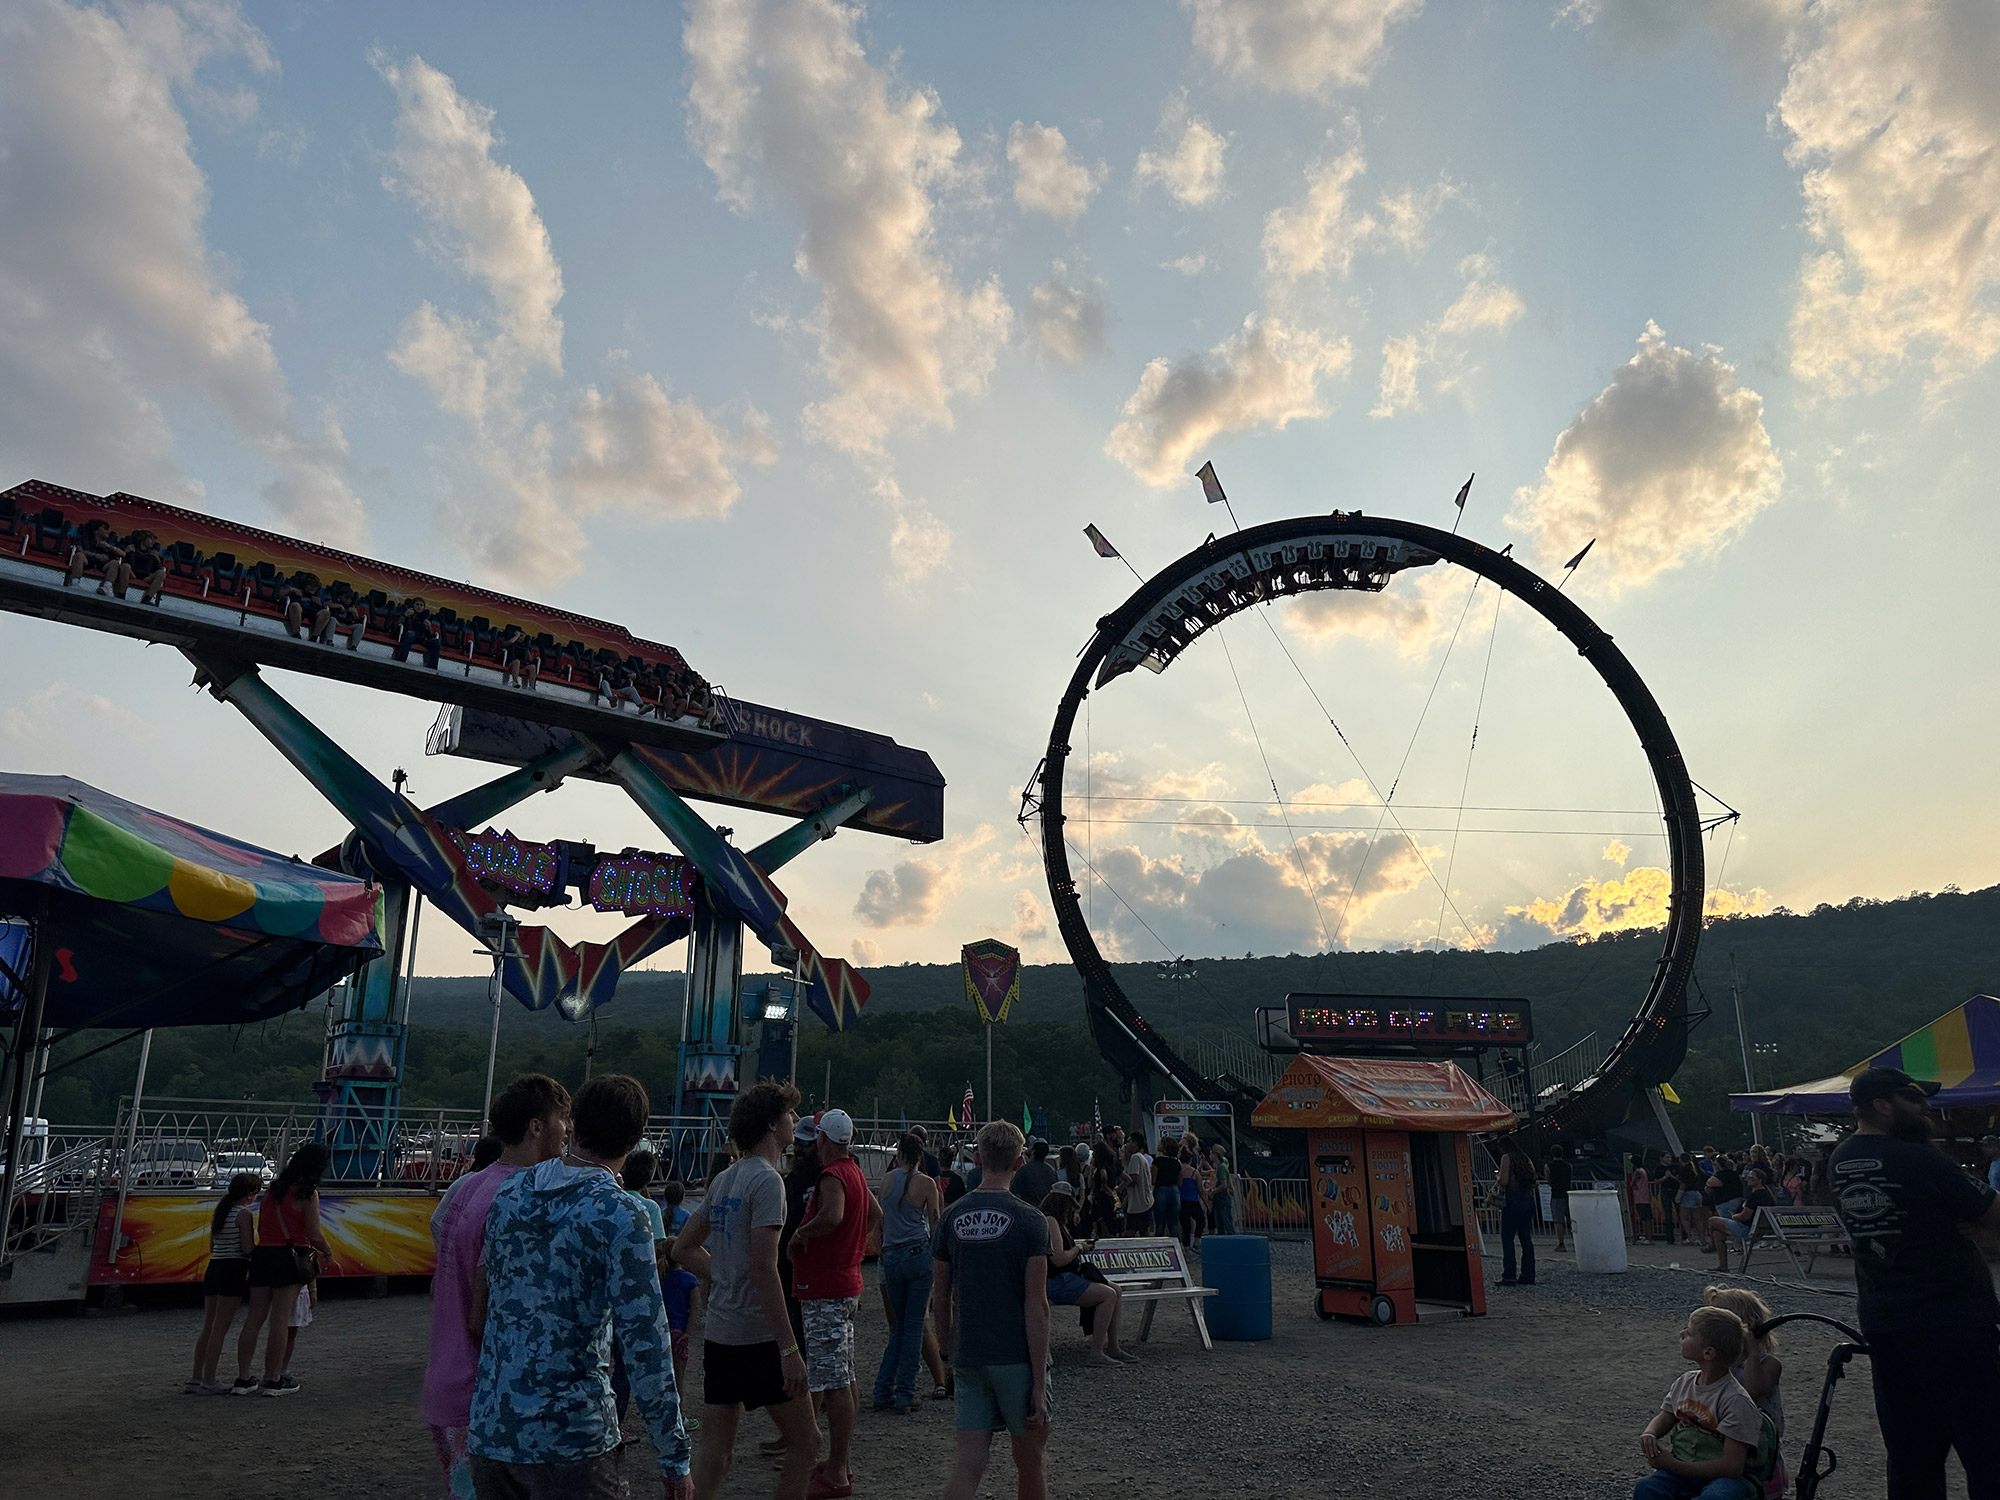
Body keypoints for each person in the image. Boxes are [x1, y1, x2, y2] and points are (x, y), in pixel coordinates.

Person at [470, 1074, 690, 1498]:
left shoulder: (512, 1192)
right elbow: (646, 1343)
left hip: (493, 1428)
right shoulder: (620, 1214)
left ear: (575, 1125)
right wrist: (674, 1456)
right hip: (572, 1438)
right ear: (638, 1138)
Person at [1830, 1066, 2000, 1498]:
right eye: (1914, 1099)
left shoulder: (1840, 1161)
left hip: (1887, 1322)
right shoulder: (1920, 1159)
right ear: (1882, 1106)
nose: (1927, 1108)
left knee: (1911, 1454)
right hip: (1952, 1321)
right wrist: (1980, 1230)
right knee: (1986, 1447)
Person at [424, 1077, 571, 1497]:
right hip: (486, 1396)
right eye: (562, 1120)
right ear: (536, 1127)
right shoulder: (520, 1194)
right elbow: (484, 1314)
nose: (569, 1130)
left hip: (447, 1382)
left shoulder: (468, 1187)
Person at [671, 1080, 817, 1500]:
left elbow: (683, 1247)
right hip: (760, 1336)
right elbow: (763, 1266)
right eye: (789, 1115)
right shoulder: (769, 1182)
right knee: (807, 1444)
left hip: (721, 1334)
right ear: (772, 1124)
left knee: (716, 1451)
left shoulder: (724, 1179)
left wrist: (722, 1276)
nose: (794, 1121)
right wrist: (790, 1351)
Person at [932, 1122, 1051, 1500]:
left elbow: (941, 1295)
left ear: (978, 1157)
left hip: (970, 1353)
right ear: (1019, 1162)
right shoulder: (1031, 1220)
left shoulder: (951, 1217)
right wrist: (1037, 1381)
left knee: (968, 1464)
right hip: (1014, 1354)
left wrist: (947, 1356)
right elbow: (1037, 1305)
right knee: (1029, 1461)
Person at [787, 1109, 878, 1500]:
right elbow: (873, 1213)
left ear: (824, 1139)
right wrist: (852, 1244)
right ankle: (840, 1462)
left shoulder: (833, 1175)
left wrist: (801, 1235)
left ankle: (837, 1468)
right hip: (845, 1281)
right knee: (846, 1375)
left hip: (824, 1284)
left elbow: (833, 1214)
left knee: (833, 1381)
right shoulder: (855, 1170)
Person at [1633, 1305, 1772, 1499]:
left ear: (1708, 1353)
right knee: (1647, 1488)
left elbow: (1732, 1467)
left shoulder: (1736, 1401)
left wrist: (1673, 1465)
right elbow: (1665, 1417)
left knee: (1715, 1497)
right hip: (1685, 1469)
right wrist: (1650, 1433)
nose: (1681, 1334)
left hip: (1726, 1479)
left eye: (1689, 1333)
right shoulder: (1685, 1382)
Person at [234, 1142, 332, 1396]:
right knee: (280, 1319)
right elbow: (314, 1234)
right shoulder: (307, 1194)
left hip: (263, 1255)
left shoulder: (272, 1191)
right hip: (288, 1259)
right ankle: (273, 1378)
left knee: (254, 1319)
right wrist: (328, 1252)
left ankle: (243, 1378)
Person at [873, 1133, 940, 1415]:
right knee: (914, 1327)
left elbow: (879, 1219)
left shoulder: (887, 1180)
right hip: (917, 1252)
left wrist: (882, 1250)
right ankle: (905, 1393)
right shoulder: (927, 1183)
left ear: (899, 1154)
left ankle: (882, 1390)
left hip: (892, 1254)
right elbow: (935, 1221)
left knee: (898, 1328)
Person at [1705, 1284, 1786, 1495]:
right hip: (1726, 1446)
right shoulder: (1723, 1363)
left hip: (1760, 1453)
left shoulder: (1768, 1364)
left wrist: (1751, 1351)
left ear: (1745, 1324)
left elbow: (1751, 1391)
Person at [1040, 1184, 1133, 1365]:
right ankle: (1096, 1352)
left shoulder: (1054, 1221)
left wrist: (1080, 1249)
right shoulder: (1051, 1221)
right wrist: (1079, 1248)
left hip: (1065, 1278)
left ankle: (1113, 1347)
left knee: (1116, 1290)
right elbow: (1058, 1259)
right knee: (1108, 1295)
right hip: (1057, 1281)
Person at [613, 1147, 671, 1423]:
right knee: (630, 1366)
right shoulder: (649, 1208)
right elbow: (658, 1248)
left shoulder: (617, 1198)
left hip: (612, 1290)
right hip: (639, 1295)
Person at [188, 1172, 260, 1394]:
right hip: (233, 1269)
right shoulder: (244, 1215)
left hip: (215, 1267)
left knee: (209, 1326)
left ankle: (196, 1378)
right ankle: (210, 1381)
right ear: (249, 1195)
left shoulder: (221, 1212)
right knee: (221, 1327)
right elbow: (247, 1249)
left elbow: (212, 1246)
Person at [1706, 1169, 1776, 1273]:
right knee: (1717, 1234)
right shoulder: (1766, 1194)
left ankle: (1712, 1246)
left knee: (1712, 1221)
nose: (1748, 1179)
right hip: (1758, 1228)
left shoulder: (1756, 1196)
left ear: (1760, 1180)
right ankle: (1723, 1266)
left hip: (1747, 1228)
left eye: (1752, 1177)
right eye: (1748, 1177)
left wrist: (1734, 1217)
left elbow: (1744, 1216)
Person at [1495, 1136, 1537, 1287]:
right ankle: (1528, 1274)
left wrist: (1498, 1177)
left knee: (1507, 1238)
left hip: (1513, 1198)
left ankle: (1509, 1275)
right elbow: (1533, 1177)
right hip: (1528, 1197)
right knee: (1526, 1237)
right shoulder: (1525, 1158)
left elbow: (1504, 1180)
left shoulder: (1507, 1157)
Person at [1011, 1139, 1057, 1207]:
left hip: (1027, 1209)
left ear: (1033, 1151)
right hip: (1045, 1210)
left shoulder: (1024, 1170)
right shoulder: (1052, 1171)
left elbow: (1016, 1195)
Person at [1121, 1138, 1152, 1236]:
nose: (1127, 1144)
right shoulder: (1142, 1158)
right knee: (1144, 1231)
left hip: (1137, 1204)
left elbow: (1133, 1179)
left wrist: (1119, 1188)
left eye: (1129, 1142)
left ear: (1135, 1143)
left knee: (1129, 1232)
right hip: (1145, 1202)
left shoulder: (1135, 1158)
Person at [1177, 1139, 1204, 1248]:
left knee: (1185, 1227)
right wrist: (1206, 1203)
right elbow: (1200, 1190)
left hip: (1182, 1201)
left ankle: (1186, 1251)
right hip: (1193, 1201)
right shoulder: (1194, 1172)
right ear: (1190, 1159)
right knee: (1201, 1221)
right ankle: (1197, 1241)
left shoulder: (1178, 1171)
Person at [1547, 1145, 1573, 1253]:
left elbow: (1549, 1181)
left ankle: (1561, 1243)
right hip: (1568, 1193)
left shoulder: (1548, 1166)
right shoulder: (1569, 1166)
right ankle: (1576, 1241)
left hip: (1556, 1195)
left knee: (1558, 1220)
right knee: (1572, 1219)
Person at [1206, 1146, 1236, 1237]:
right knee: (1220, 1225)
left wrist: (1213, 1192)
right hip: (1219, 1199)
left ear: (1215, 1154)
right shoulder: (1220, 1167)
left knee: (1226, 1223)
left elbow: (1224, 1185)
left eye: (1211, 1153)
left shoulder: (1222, 1168)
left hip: (1222, 1199)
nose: (1210, 1155)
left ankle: (1232, 1243)